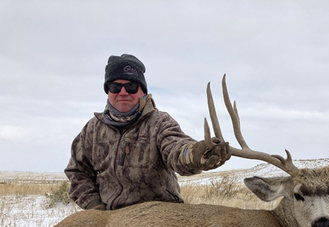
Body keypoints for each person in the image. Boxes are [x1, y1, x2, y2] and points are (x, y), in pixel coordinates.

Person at [65, 54, 231, 210]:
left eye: (131, 86)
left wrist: (195, 154)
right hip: (111, 222)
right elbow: (78, 172)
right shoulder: (92, 130)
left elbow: (176, 148)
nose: (123, 92)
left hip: (160, 220)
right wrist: (95, 209)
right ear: (108, 91)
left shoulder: (160, 123)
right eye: (115, 86)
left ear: (142, 90)